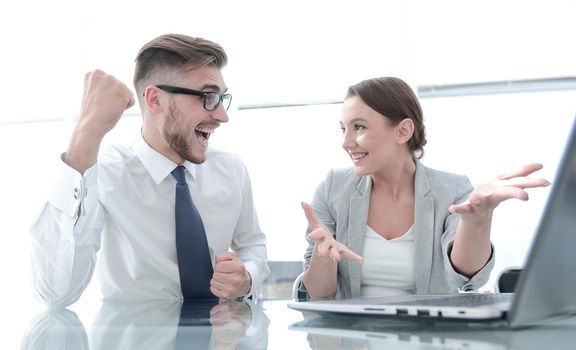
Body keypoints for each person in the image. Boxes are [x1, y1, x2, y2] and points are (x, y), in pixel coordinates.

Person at [29, 34, 269, 307]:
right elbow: (55, 293)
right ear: (155, 100)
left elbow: (253, 247)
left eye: (221, 98)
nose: (222, 116)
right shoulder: (106, 173)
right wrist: (87, 133)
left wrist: (246, 276)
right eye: (208, 97)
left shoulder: (231, 169)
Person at [299, 77, 549, 300]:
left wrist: (477, 221)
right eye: (344, 129)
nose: (346, 142)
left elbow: (467, 276)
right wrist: (324, 256)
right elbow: (320, 294)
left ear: (403, 130)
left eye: (359, 127)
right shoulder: (333, 188)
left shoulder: (452, 189)